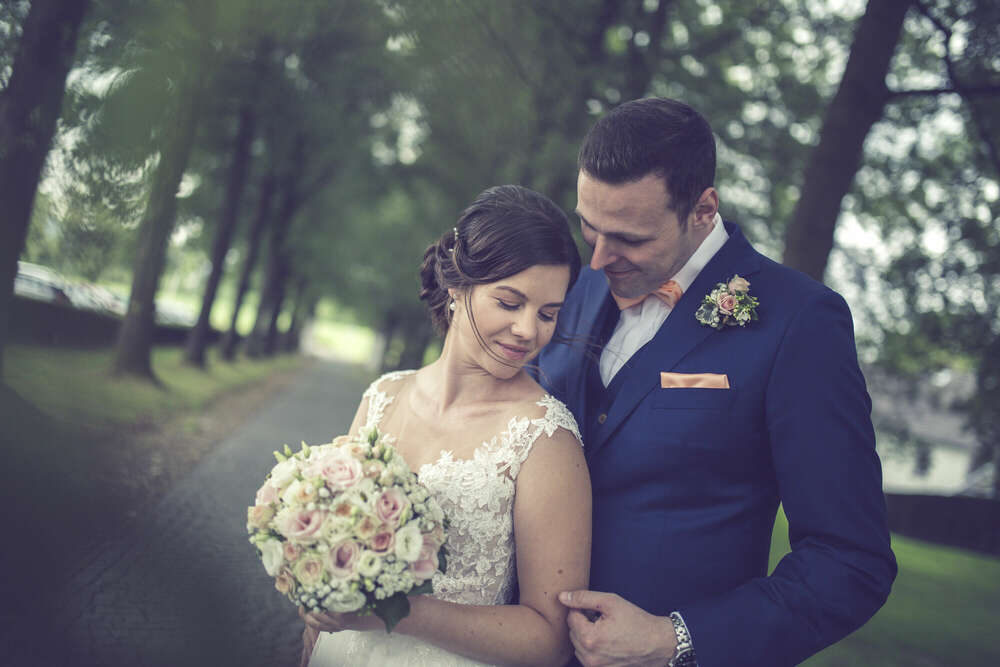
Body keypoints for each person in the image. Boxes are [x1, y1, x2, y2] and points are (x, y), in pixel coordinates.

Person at [537, 98, 897, 667]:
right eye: (589, 227)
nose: (601, 258)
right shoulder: (570, 289)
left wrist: (675, 639)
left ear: (704, 209)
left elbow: (850, 560)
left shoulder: (798, 322)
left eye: (629, 238)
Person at [301, 185, 592, 666]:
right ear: (458, 287)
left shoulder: (544, 439)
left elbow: (551, 639)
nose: (528, 330)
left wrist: (395, 612)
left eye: (547, 314)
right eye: (509, 302)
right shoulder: (382, 398)